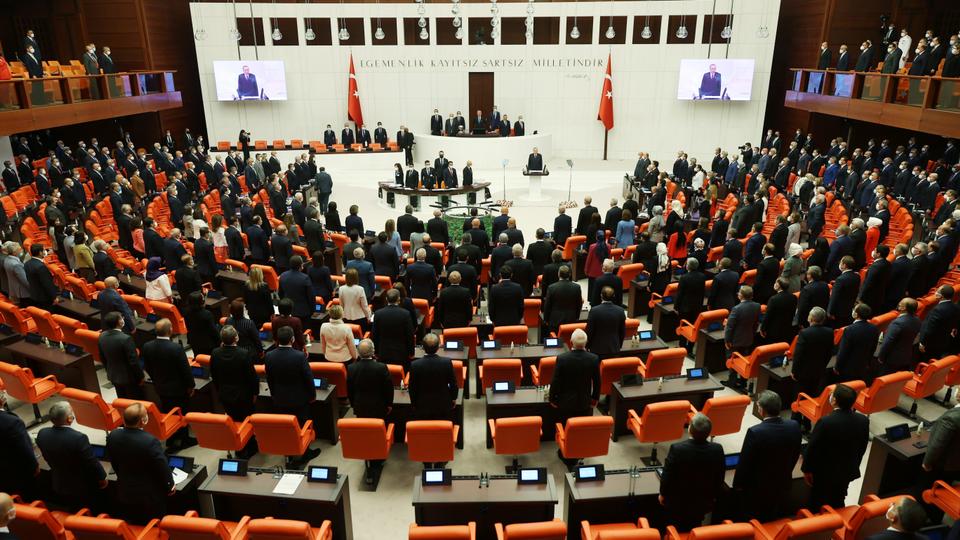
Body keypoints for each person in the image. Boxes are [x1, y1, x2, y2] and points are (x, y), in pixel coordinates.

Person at [733, 391, 802, 522]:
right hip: (782, 483)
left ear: (761, 409)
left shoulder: (755, 432)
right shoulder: (794, 426)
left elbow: (746, 462)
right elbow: (795, 454)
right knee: (773, 516)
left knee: (755, 519)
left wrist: (738, 485)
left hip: (758, 489)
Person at [801, 384, 869, 509]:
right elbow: (862, 447)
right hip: (847, 470)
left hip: (824, 473)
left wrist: (806, 469)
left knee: (817, 502)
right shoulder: (863, 420)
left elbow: (813, 448)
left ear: (834, 400)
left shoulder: (825, 422)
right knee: (839, 498)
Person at [106, 403, 174, 524]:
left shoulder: (113, 435)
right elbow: (161, 466)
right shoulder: (150, 441)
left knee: (132, 524)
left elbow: (114, 461)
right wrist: (169, 485)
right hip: (149, 497)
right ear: (143, 421)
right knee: (155, 526)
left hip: (124, 490)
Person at [658, 413, 725, 532]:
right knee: (694, 525)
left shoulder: (677, 449)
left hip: (677, 502)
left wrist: (662, 494)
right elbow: (720, 477)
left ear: (689, 429)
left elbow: (668, 475)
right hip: (702, 502)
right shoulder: (717, 449)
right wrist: (713, 498)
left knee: (675, 527)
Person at [36, 401, 108, 511]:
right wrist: (102, 477)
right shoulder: (78, 438)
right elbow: (91, 462)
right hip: (82, 488)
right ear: (69, 419)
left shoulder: (42, 433)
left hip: (58, 483)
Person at [142, 318, 197, 449]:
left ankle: (171, 437)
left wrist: (156, 380)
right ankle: (184, 439)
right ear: (170, 330)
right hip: (179, 389)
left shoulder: (147, 346)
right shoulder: (176, 348)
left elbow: (147, 367)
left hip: (160, 387)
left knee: (168, 412)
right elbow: (185, 370)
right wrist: (191, 385)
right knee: (181, 413)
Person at [210, 326, 259, 457]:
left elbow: (214, 376)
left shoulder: (215, 353)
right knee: (246, 421)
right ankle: (249, 448)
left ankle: (238, 446)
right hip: (244, 396)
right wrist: (255, 393)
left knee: (234, 421)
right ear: (236, 338)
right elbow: (252, 377)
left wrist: (219, 390)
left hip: (225, 395)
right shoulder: (244, 354)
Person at [791, 307, 834, 425]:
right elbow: (829, 353)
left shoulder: (805, 333)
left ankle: (796, 422)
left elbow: (798, 355)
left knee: (798, 398)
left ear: (811, 318)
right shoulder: (829, 332)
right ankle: (806, 422)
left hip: (802, 372)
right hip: (818, 371)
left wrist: (794, 371)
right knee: (812, 396)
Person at [550, 329, 600, 425]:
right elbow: (597, 381)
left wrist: (552, 399)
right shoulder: (593, 359)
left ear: (571, 342)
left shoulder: (562, 359)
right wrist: (595, 399)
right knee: (583, 429)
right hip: (585, 403)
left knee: (567, 429)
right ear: (586, 343)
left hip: (565, 404)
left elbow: (555, 381)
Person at [408, 333, 458, 422]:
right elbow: (453, 383)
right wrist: (454, 398)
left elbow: (412, 387)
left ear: (423, 347)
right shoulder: (446, 362)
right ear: (438, 347)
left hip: (422, 405)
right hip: (443, 404)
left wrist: (414, 403)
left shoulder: (415, 365)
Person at [0, 391, 38, 497]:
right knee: (28, 497)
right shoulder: (11, 421)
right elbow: (24, 449)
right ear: (2, 400)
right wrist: (34, 466)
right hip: (16, 473)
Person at [98, 311, 145, 399]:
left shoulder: (102, 336)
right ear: (119, 322)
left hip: (114, 376)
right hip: (129, 379)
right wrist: (141, 376)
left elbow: (103, 358)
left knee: (122, 401)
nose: (123, 319)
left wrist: (109, 372)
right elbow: (133, 361)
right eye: (121, 318)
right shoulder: (126, 338)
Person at [347, 339, 394, 420]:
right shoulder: (381, 367)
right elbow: (388, 388)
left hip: (359, 405)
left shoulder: (351, 368)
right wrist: (389, 404)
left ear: (358, 352)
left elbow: (350, 389)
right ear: (373, 352)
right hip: (379, 406)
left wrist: (353, 404)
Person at [835, 304, 879, 382]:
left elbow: (843, 351)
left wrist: (837, 367)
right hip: (863, 365)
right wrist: (868, 363)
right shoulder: (874, 328)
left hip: (848, 368)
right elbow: (873, 348)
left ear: (856, 314)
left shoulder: (849, 330)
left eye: (854, 309)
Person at [371, 289, 415, 367]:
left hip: (383, 353)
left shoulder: (378, 314)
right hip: (401, 354)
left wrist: (376, 352)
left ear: (386, 299)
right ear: (399, 299)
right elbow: (410, 335)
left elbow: (375, 335)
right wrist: (411, 352)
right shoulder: (405, 314)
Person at [725, 286, 761, 379]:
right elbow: (756, 323)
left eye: (739, 292)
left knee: (732, 359)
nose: (738, 294)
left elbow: (730, 327)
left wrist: (727, 340)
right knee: (744, 359)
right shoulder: (757, 306)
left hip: (735, 340)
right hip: (748, 338)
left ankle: (732, 380)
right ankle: (742, 381)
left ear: (741, 295)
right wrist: (752, 334)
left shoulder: (737, 308)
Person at [878, 298, 921, 374]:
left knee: (886, 379)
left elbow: (888, 342)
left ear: (904, 308)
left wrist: (881, 356)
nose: (899, 303)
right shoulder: (917, 320)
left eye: (901, 303)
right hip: (906, 356)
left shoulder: (897, 323)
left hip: (892, 359)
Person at [918, 285, 960, 360]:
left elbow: (930, 329)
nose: (935, 292)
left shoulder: (938, 310)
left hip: (931, 344)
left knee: (926, 359)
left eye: (937, 291)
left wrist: (923, 342)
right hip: (944, 341)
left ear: (941, 296)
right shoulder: (955, 307)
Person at [586, 286, 626, 358]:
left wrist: (587, 346)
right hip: (614, 348)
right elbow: (622, 331)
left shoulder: (594, 311)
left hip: (597, 349)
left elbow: (589, 331)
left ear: (601, 296)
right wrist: (618, 345)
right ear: (613, 296)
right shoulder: (620, 311)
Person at [543, 265, 583, 334]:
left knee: (555, 341)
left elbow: (547, 306)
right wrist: (576, 317)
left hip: (555, 319)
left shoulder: (552, 288)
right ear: (570, 274)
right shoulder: (576, 287)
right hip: (571, 318)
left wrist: (546, 319)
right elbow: (579, 304)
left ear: (558, 274)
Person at [761, 278, 798, 346]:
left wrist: (762, 328)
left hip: (773, 331)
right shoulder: (793, 297)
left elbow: (768, 316)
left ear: (778, 285)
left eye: (775, 283)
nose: (774, 284)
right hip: (787, 328)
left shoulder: (773, 299)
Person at [278, 255, 314, 321]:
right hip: (303, 312)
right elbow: (311, 297)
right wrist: (312, 310)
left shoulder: (282, 276)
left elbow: (280, 294)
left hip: (288, 311)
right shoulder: (305, 278)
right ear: (301, 265)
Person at [183, 291, 219, 356]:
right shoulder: (207, 314)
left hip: (194, 342)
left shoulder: (185, 312)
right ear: (201, 302)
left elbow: (188, 327)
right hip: (208, 345)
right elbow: (214, 331)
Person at [340, 267, 372, 332]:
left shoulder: (341, 289)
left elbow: (341, 305)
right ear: (356, 277)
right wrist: (369, 317)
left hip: (346, 316)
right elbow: (364, 306)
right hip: (360, 318)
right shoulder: (360, 289)